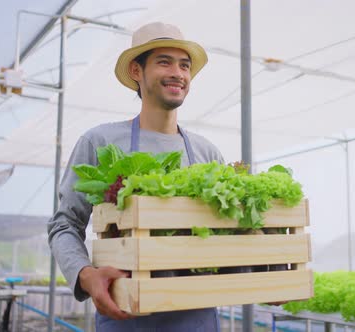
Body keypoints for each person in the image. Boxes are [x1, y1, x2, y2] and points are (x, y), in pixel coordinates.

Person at [47, 22, 224, 331]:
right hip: (125, 315)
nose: (178, 73)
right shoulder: (101, 142)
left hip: (198, 316)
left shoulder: (207, 153)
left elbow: (232, 235)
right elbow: (65, 225)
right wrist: (87, 276)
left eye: (185, 65)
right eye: (164, 62)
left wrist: (268, 278)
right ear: (136, 71)